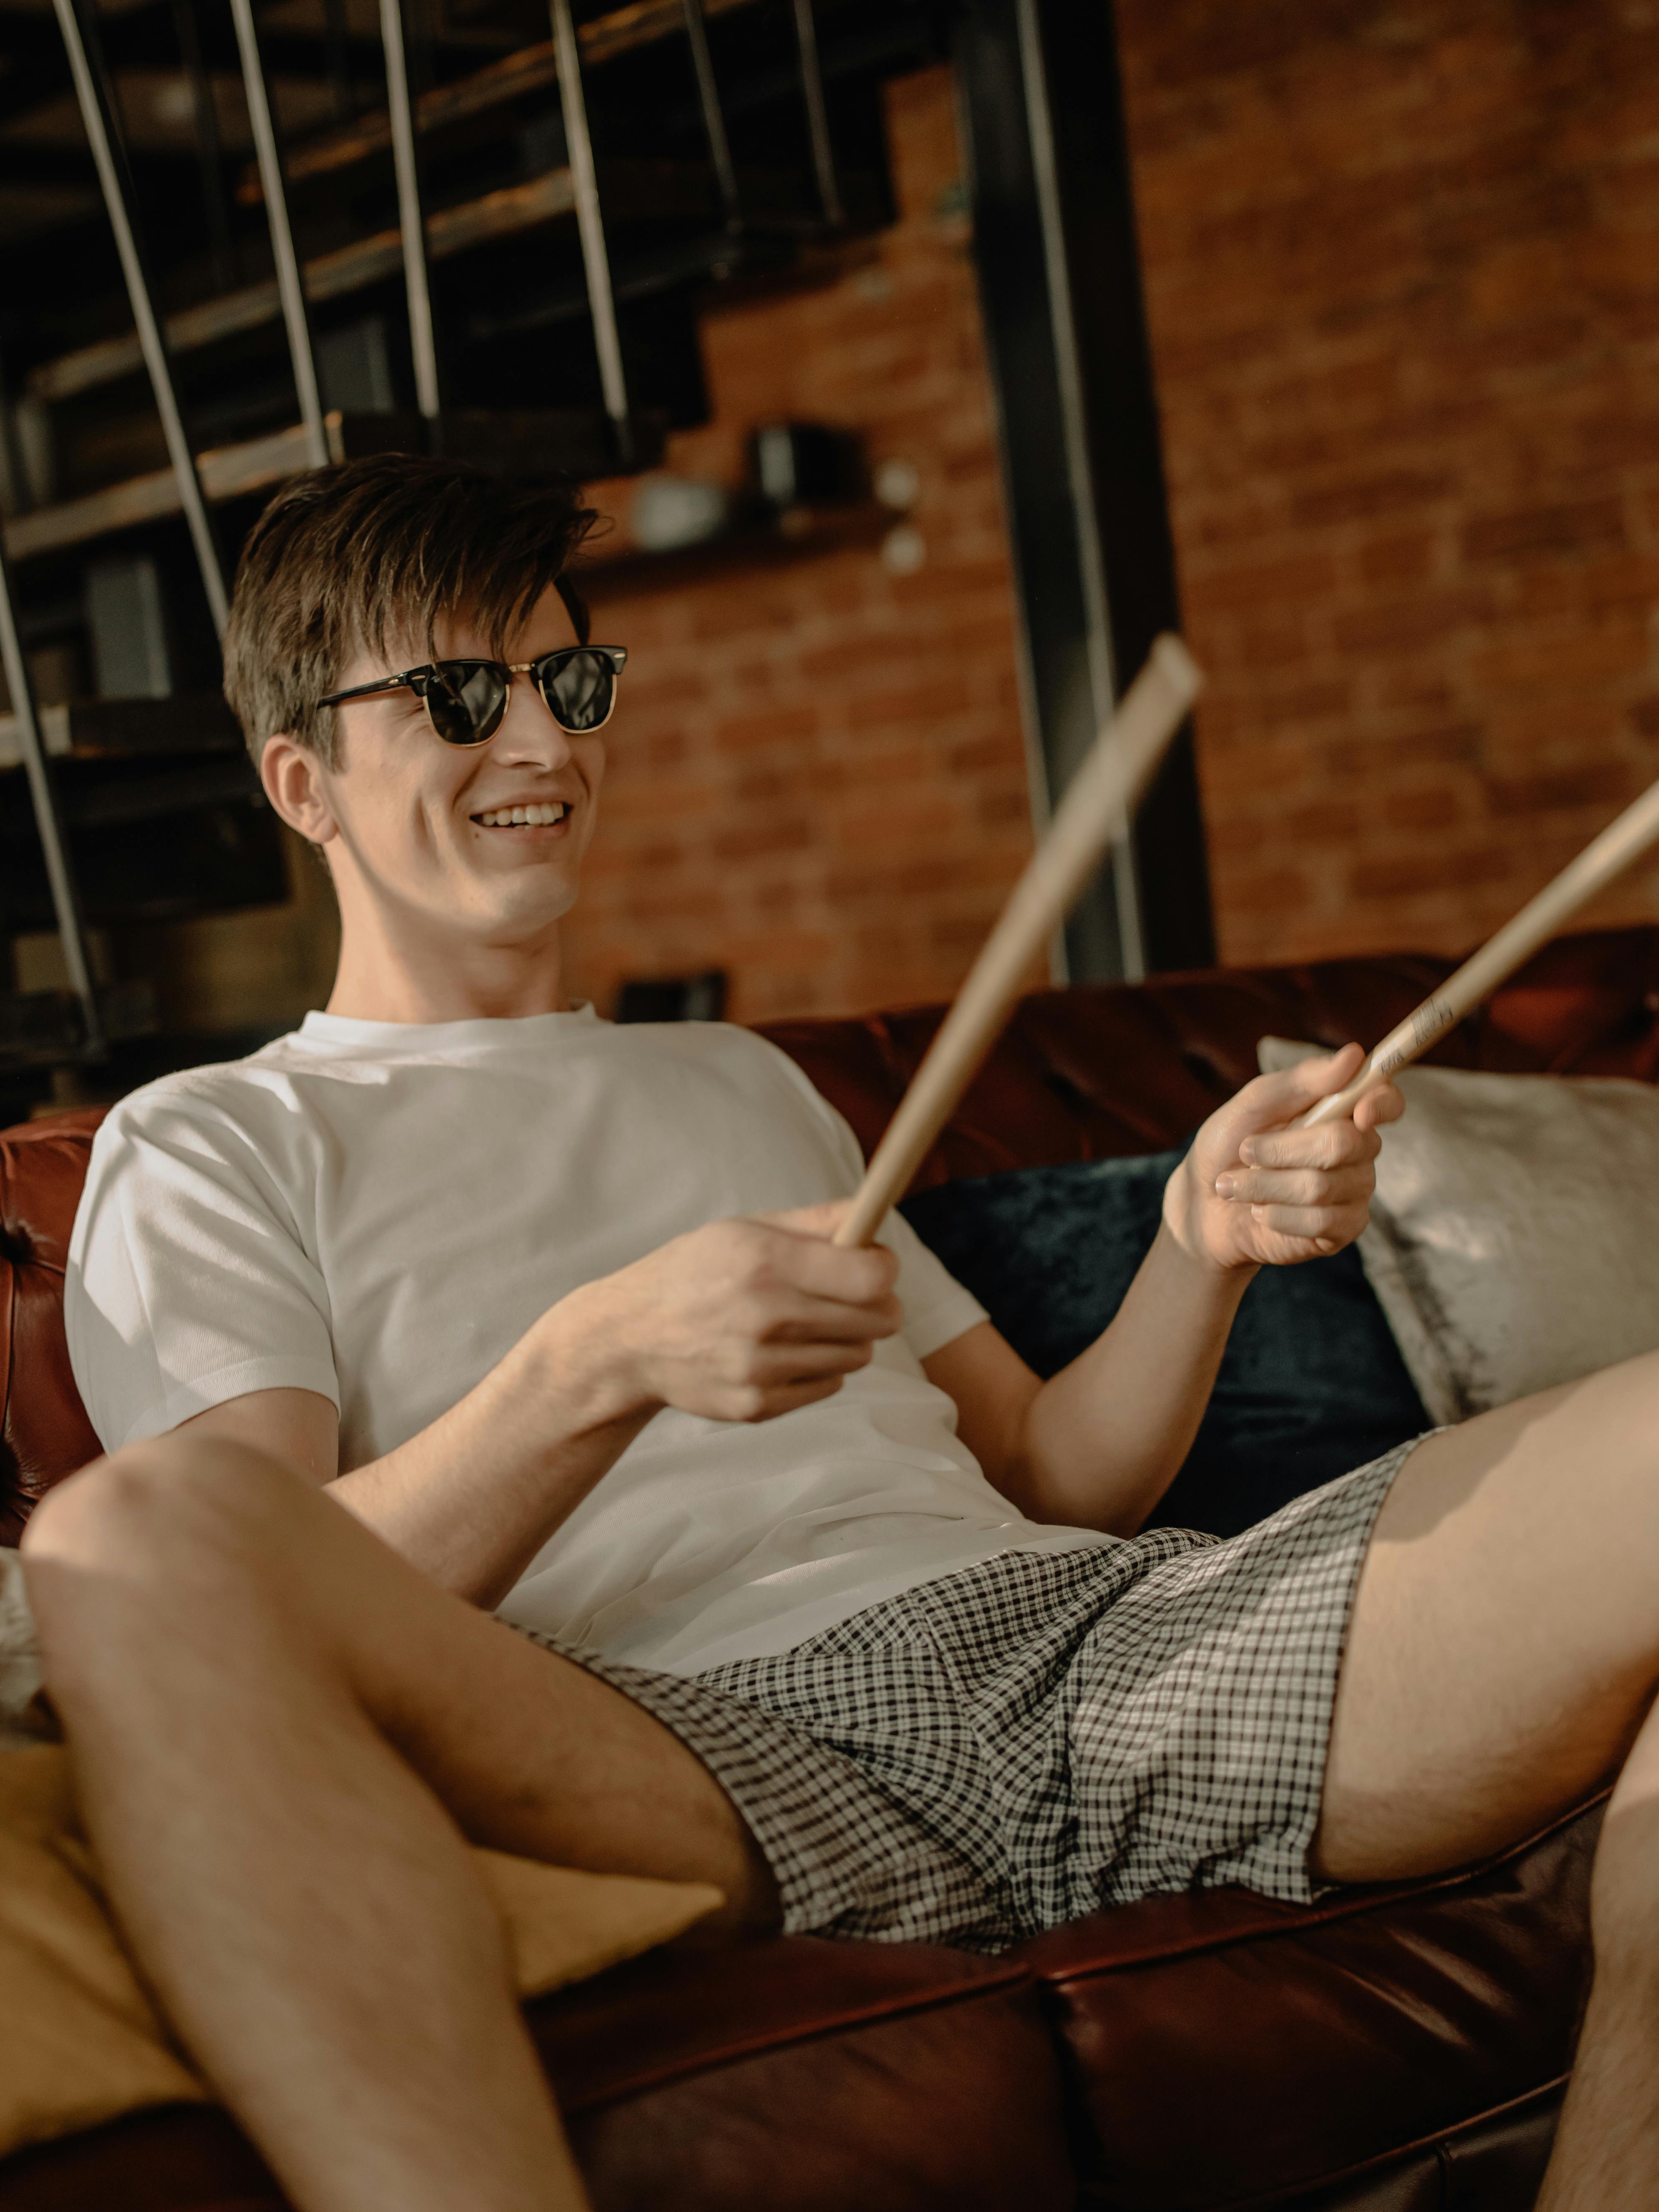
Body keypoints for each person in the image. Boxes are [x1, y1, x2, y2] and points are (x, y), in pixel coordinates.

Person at [18, 454, 1659, 2212]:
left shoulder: (740, 1082)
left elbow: (1050, 1474)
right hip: (677, 1743)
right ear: (301, 779)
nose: (542, 746)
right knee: (128, 1538)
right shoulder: (213, 1142)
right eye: (454, 697)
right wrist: (595, 1366)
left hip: (1087, 1650)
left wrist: (1198, 1248)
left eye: (569, 685)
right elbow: (260, 1587)